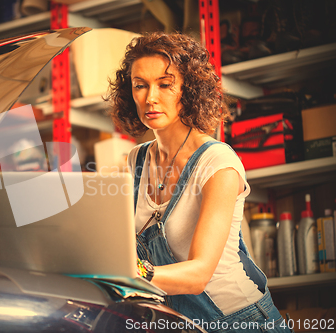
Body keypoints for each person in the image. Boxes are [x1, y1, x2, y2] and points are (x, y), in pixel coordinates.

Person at [107, 32, 290, 332]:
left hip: (242, 322)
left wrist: (129, 271)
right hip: (182, 325)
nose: (150, 97)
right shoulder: (135, 161)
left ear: (188, 90)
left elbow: (199, 274)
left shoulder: (217, 163)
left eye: (165, 85)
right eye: (140, 85)